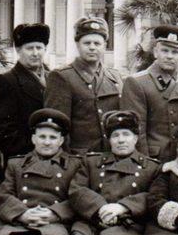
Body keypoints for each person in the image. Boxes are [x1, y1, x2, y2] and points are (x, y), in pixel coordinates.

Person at [44, 17, 122, 154]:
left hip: (111, 156)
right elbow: (57, 127)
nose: (92, 47)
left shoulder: (114, 76)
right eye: (87, 43)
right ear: (77, 45)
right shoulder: (62, 77)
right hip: (79, 158)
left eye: (97, 43)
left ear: (104, 45)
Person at [120, 25, 178, 161]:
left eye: (175, 52)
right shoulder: (137, 82)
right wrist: (144, 165)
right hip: (154, 160)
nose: (169, 56)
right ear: (155, 52)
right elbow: (136, 131)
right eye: (164, 51)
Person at [0, 22, 51, 168]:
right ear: (18, 50)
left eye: (39, 48)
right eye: (29, 48)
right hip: (23, 162)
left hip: (54, 161)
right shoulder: (6, 81)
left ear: (45, 49)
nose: (35, 53)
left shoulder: (53, 78)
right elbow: (2, 131)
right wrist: (37, 149)